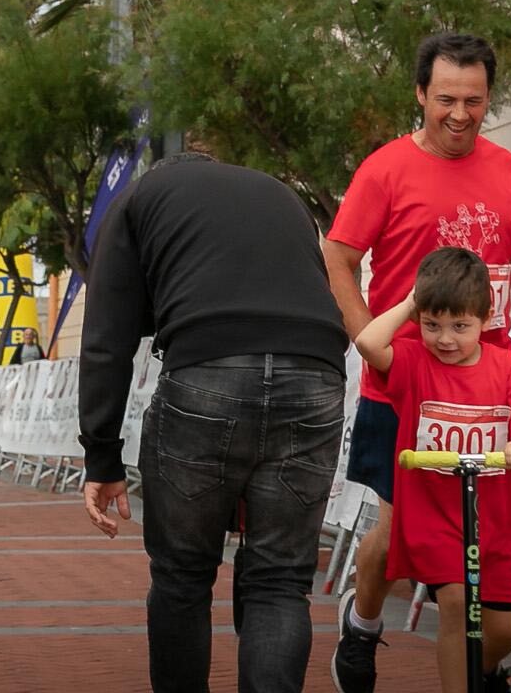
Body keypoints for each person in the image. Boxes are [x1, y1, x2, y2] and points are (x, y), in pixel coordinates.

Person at [322, 31, 511, 693]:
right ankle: (362, 626)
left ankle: (481, 662)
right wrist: (373, 337)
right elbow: (338, 257)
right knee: (397, 535)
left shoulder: (509, 171)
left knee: (477, 537)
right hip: (405, 385)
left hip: (484, 393)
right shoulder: (385, 169)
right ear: (421, 94)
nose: (459, 114)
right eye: (445, 99)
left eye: (474, 101)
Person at [78, 138, 348, 693]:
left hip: (209, 371)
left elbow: (107, 340)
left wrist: (101, 457)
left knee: (182, 578)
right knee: (279, 580)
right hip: (317, 371)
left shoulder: (136, 200)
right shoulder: (278, 193)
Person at [354, 248, 511, 693]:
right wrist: (410, 301)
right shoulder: (411, 362)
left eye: (460, 326)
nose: (445, 339)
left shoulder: (507, 367)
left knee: (502, 630)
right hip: (433, 516)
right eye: (432, 324)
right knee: (457, 603)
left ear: (484, 318)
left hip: (495, 522)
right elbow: (367, 343)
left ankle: (481, 672)